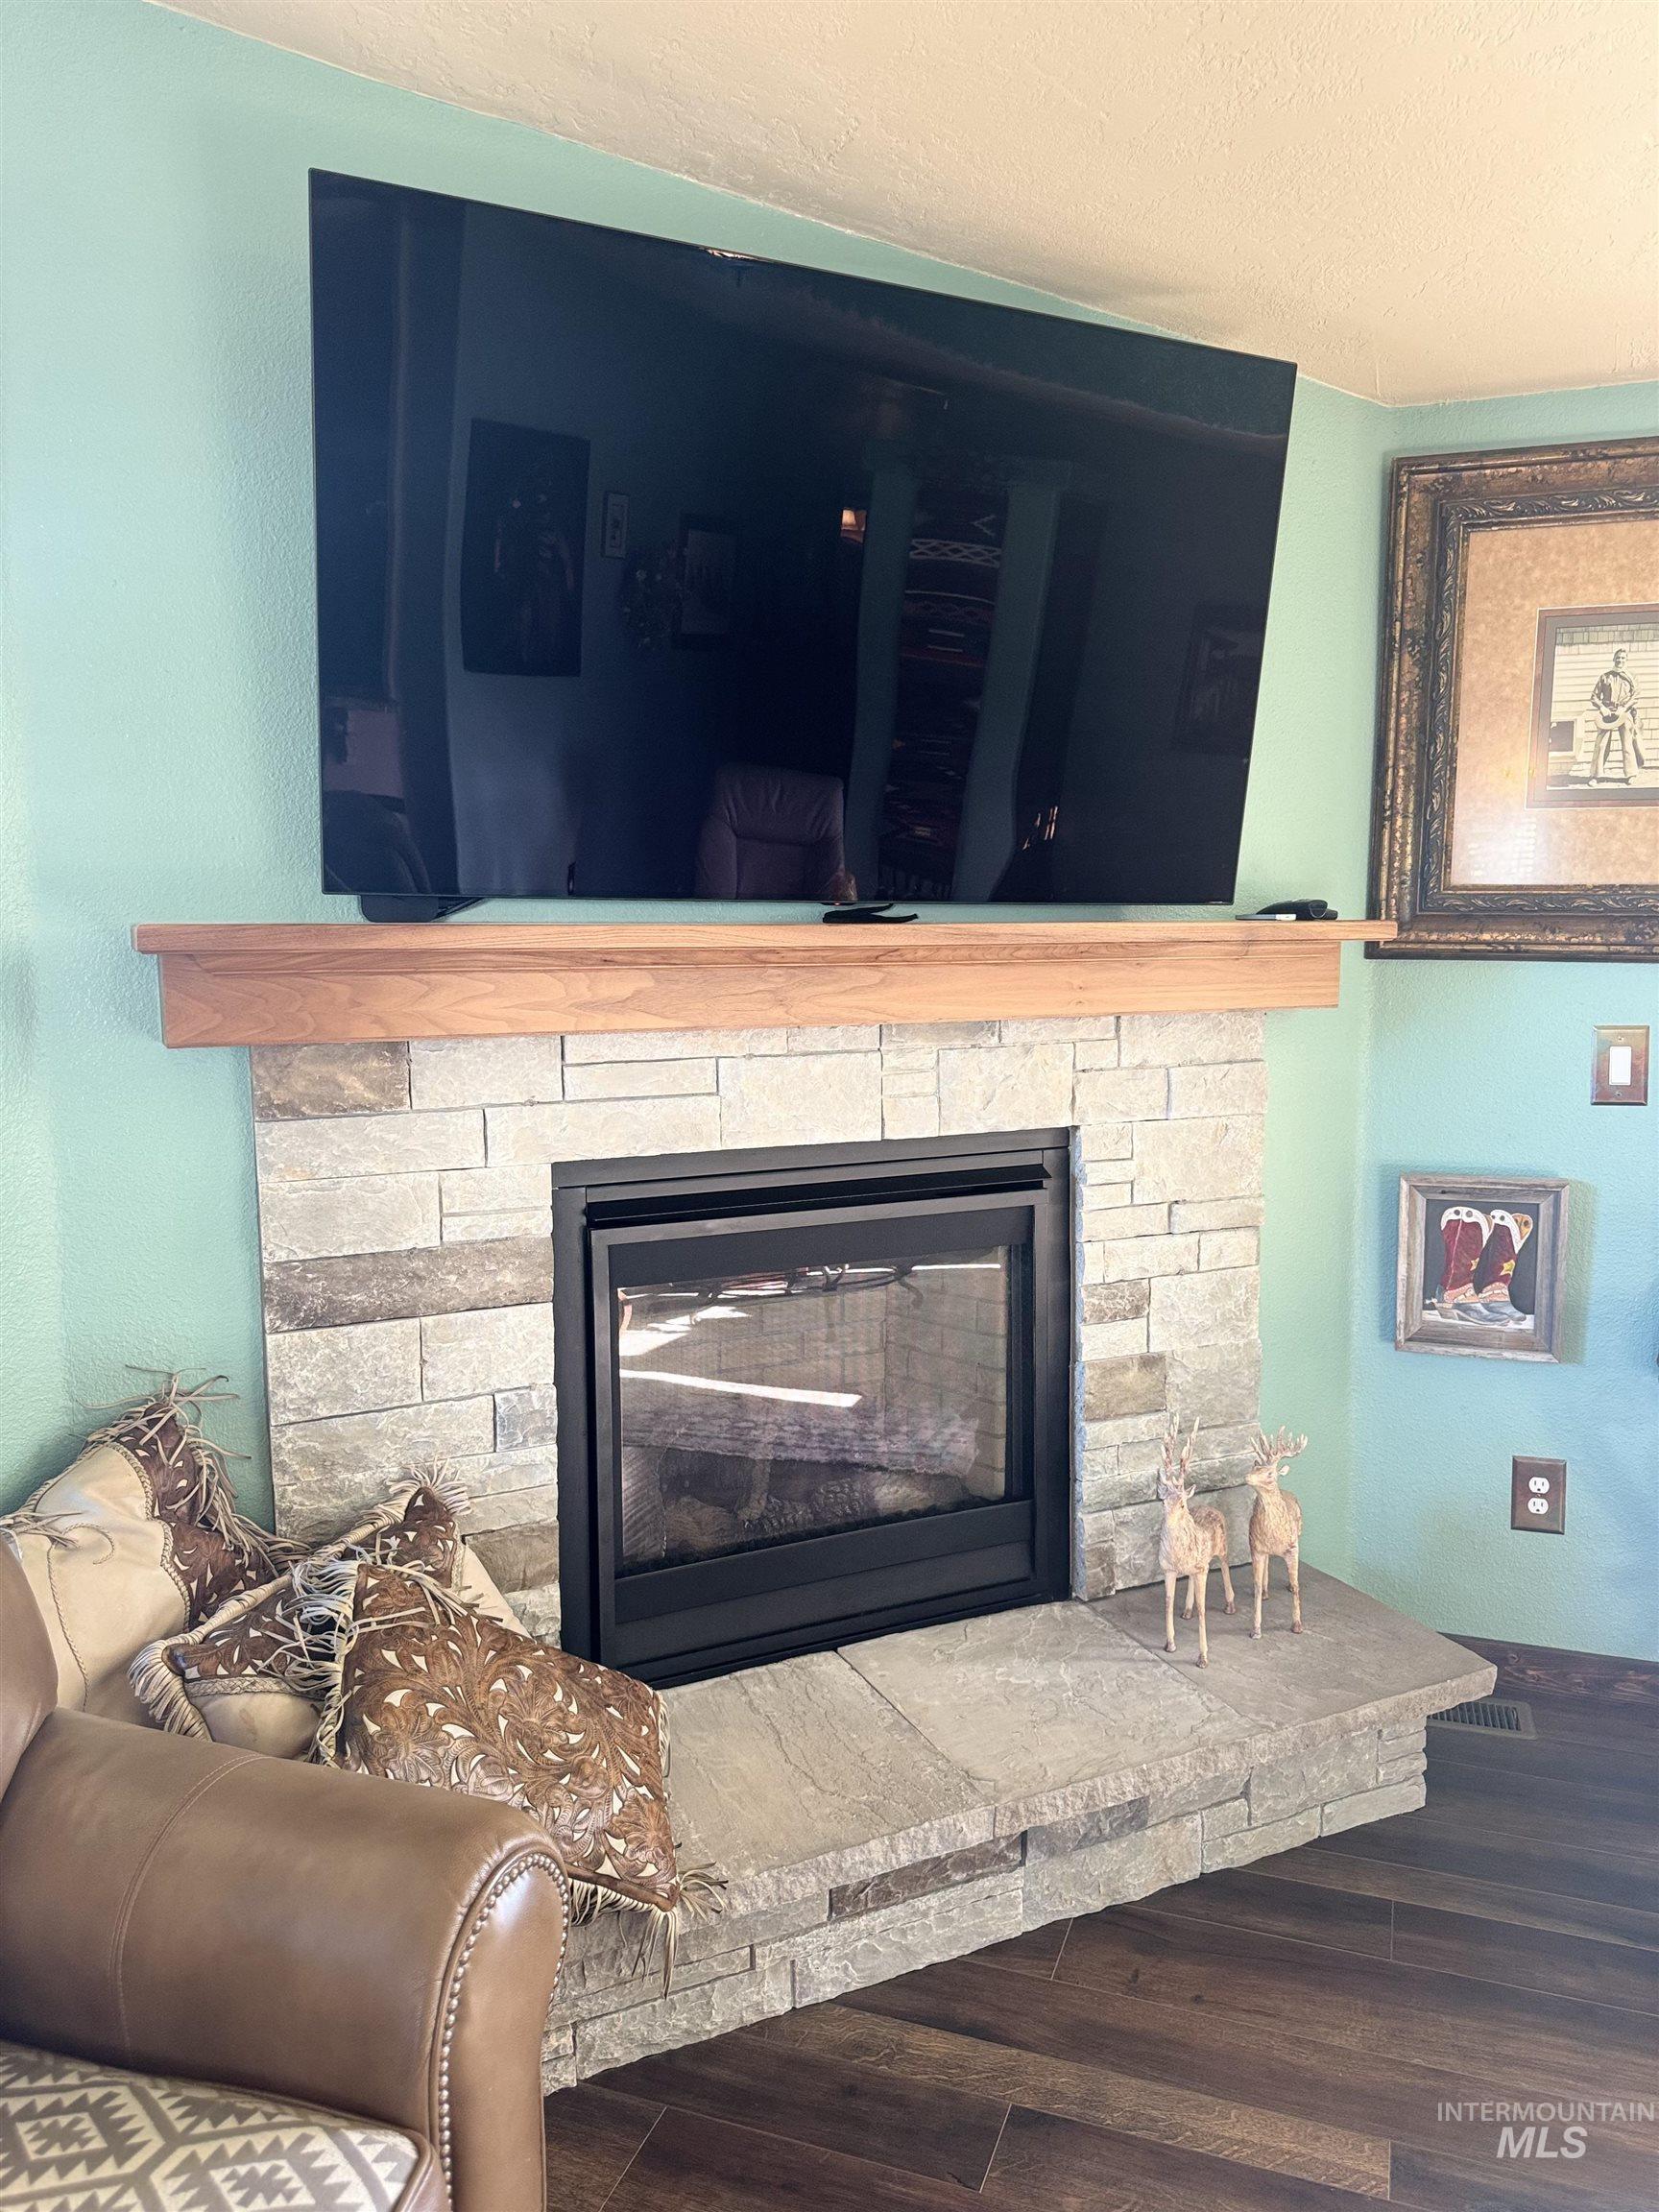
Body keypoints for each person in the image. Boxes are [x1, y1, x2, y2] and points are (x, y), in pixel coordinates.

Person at [1589, 647, 1643, 782]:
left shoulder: (1631, 677)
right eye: (1618, 657)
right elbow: (1594, 696)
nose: (1620, 660)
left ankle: (1631, 775)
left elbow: (1635, 696)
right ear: (1614, 659)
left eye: (1623, 658)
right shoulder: (1605, 676)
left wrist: (1624, 708)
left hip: (1624, 712)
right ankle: (1595, 776)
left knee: (1627, 743)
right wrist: (1602, 707)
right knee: (1601, 744)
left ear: (1626, 660)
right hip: (1607, 713)